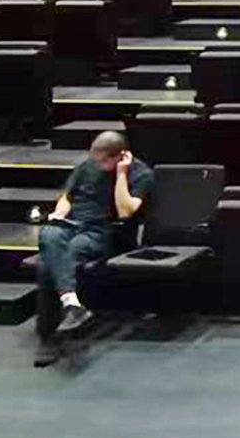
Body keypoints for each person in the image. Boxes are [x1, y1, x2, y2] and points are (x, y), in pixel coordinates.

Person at [33, 130, 155, 366]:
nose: (97, 165)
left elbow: (125, 211)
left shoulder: (141, 174)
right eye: (95, 159)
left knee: (48, 265)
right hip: (70, 224)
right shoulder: (87, 166)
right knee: (48, 233)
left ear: (120, 156)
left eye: (103, 161)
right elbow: (67, 197)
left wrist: (121, 174)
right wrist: (59, 213)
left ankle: (48, 338)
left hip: (101, 231)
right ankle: (73, 305)